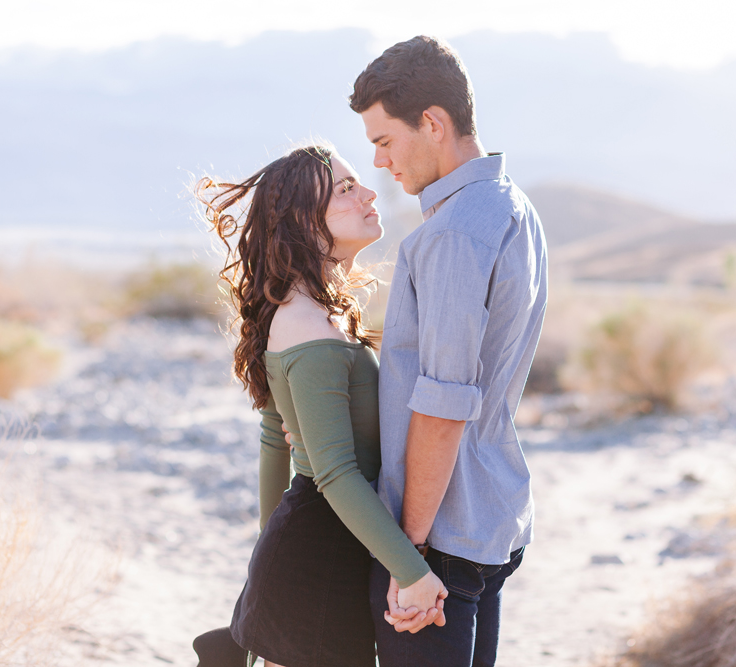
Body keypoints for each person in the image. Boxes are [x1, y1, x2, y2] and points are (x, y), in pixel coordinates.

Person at [192, 144, 448, 667]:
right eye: (346, 190)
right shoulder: (308, 326)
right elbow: (333, 473)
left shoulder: (311, 313)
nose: (370, 193)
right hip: (320, 561)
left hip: (311, 555)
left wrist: (268, 557)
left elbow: (273, 438)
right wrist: (413, 573)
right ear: (304, 224)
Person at [348, 36, 549, 665]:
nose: (379, 163)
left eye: (384, 141)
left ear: (432, 123)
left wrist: (406, 556)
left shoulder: (454, 233)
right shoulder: (511, 206)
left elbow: (442, 405)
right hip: (488, 516)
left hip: (439, 534)